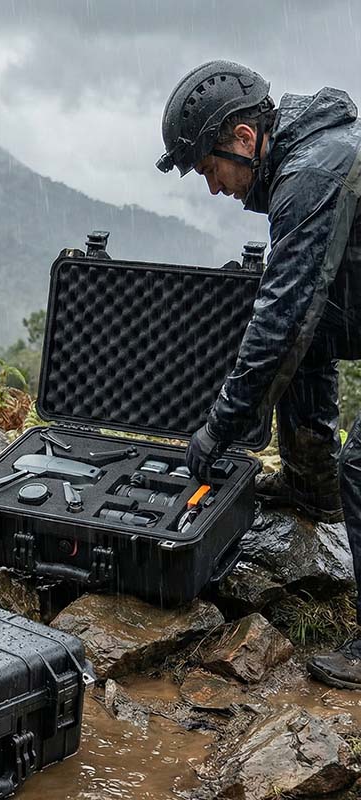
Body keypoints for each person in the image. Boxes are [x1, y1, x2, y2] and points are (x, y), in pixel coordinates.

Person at [157, 60, 361, 688]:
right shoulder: (305, 157)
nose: (213, 187)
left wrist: (218, 431)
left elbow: (278, 324)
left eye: (209, 167)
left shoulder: (311, 174)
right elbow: (304, 327)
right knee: (310, 335)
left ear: (245, 139)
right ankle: (311, 489)